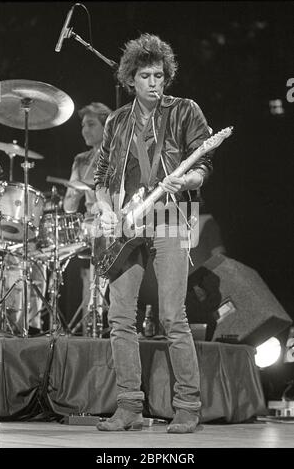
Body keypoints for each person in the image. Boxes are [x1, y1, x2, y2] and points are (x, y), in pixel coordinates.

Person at [93, 33, 214, 433]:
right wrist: (106, 209)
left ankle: (187, 406)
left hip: (173, 218)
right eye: (145, 75)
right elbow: (102, 177)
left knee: (171, 316)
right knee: (120, 316)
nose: (153, 82)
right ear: (131, 78)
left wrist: (190, 178)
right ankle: (128, 406)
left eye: (159, 75)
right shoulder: (116, 121)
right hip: (128, 223)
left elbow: (203, 162)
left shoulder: (184, 110)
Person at [63, 102, 111, 332]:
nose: (84, 130)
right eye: (83, 125)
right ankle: (92, 317)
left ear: (106, 126)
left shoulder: (117, 155)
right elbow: (69, 207)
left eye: (91, 124)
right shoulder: (80, 160)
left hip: (114, 221)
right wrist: (73, 192)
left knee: (101, 232)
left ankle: (96, 314)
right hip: (89, 225)